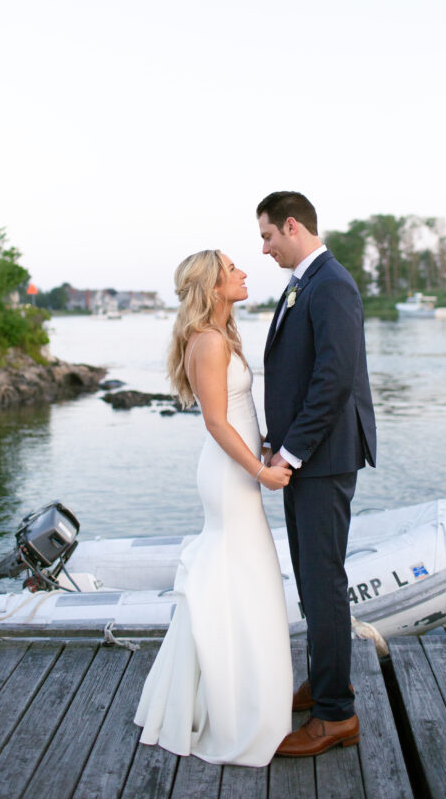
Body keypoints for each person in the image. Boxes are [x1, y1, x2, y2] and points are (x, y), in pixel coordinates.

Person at [134, 249, 293, 766]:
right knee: (241, 578)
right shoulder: (206, 341)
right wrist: (260, 470)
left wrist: (266, 444)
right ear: (213, 285)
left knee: (246, 581)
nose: (244, 272)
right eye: (232, 270)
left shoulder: (224, 337)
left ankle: (249, 691)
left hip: (241, 465)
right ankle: (235, 707)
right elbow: (216, 422)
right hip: (230, 477)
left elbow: (240, 415)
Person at [257, 191, 377, 757]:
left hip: (323, 459)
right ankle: (329, 681)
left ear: (292, 225)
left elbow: (334, 377)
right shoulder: (305, 281)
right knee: (310, 578)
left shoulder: (332, 284)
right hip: (305, 456)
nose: (264, 248)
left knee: (324, 583)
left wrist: (292, 452)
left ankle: (336, 715)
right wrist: (275, 443)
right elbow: (299, 373)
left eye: (267, 236)